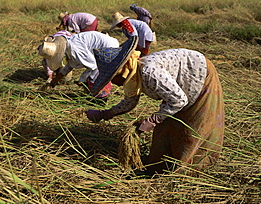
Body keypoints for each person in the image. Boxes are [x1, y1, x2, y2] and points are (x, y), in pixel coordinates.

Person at [86, 36, 225, 175]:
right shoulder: (133, 75)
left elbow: (179, 100)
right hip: (178, 90)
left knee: (191, 129)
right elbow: (130, 102)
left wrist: (152, 120)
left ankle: (188, 173)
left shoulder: (148, 72)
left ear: (121, 71)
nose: (113, 83)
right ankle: (158, 165)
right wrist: (105, 114)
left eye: (112, 78)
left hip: (198, 75)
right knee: (163, 129)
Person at [38, 31, 119, 99]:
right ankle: (92, 96)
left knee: (94, 78)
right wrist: (56, 80)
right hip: (102, 49)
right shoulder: (69, 46)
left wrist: (82, 79)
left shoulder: (75, 50)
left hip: (109, 48)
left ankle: (99, 99)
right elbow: (68, 67)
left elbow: (93, 65)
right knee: (89, 79)